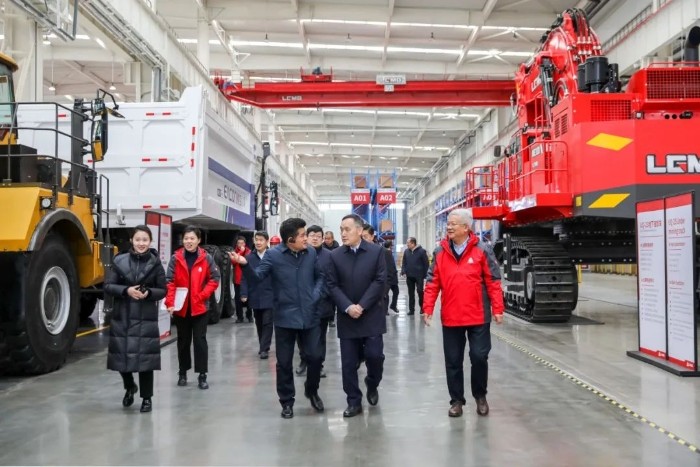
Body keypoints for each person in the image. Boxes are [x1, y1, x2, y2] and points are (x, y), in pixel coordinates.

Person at [228, 218, 325, 419]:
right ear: (290, 240)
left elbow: (320, 277)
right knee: (284, 362)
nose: (306, 238)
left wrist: (314, 296)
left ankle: (312, 390)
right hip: (285, 316)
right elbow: (257, 278)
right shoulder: (273, 256)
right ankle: (287, 401)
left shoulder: (311, 253)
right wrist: (245, 265)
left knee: (315, 357)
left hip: (310, 315)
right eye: (302, 235)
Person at [422, 208, 504, 418]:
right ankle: (456, 400)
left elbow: (493, 281)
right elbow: (432, 282)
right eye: (448, 223)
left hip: (478, 315)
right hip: (451, 316)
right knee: (453, 361)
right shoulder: (440, 252)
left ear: (466, 228)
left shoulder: (482, 250)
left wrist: (498, 308)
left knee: (479, 357)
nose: (448, 227)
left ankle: (480, 395)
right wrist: (428, 308)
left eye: (453, 224)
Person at [327, 214, 387, 418]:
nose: (343, 233)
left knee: (375, 356)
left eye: (347, 229)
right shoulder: (335, 255)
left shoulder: (376, 252)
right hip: (347, 317)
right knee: (348, 363)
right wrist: (347, 306)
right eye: (341, 230)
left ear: (360, 231)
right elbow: (332, 285)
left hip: (371, 314)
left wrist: (361, 306)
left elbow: (379, 281)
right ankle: (353, 401)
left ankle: (372, 382)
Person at [105, 225, 166, 413]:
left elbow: (163, 290)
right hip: (122, 316)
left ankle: (147, 398)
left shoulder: (155, 264)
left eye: (145, 240)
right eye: (138, 239)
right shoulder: (119, 261)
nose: (141, 243)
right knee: (121, 359)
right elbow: (108, 286)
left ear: (150, 241)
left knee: (146, 361)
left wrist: (148, 293)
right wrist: (126, 290)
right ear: (132, 240)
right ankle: (130, 386)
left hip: (145, 317)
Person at [165, 226, 221, 390]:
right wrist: (170, 303)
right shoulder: (176, 258)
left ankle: (202, 375)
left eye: (192, 238)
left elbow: (214, 279)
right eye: (186, 238)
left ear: (198, 240)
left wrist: (202, 295)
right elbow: (169, 282)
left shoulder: (206, 258)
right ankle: (182, 372)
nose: (188, 241)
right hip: (181, 308)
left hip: (200, 308)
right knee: (183, 341)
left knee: (200, 341)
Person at [240, 231, 275, 359]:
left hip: (270, 294)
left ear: (267, 241)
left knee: (267, 322)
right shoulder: (249, 258)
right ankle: (262, 345)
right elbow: (244, 277)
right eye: (256, 240)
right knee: (259, 322)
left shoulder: (272, 256)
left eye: (261, 240)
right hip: (255, 294)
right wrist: (244, 293)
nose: (258, 242)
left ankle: (264, 348)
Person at [306, 225, 335, 377]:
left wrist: (323, 295)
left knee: (320, 337)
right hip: (303, 304)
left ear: (323, 239)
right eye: (312, 235)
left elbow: (332, 279)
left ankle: (319, 365)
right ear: (306, 237)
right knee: (302, 336)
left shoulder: (329, 256)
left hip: (323, 303)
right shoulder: (300, 253)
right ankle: (304, 361)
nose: (315, 238)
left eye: (318, 236)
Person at [362, 225, 397, 315]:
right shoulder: (358, 253)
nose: (362, 239)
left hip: (379, 296)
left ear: (372, 237)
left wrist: (384, 290)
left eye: (365, 236)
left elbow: (390, 272)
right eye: (361, 237)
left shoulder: (383, 252)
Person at [401, 237, 429, 315]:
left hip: (419, 276)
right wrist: (403, 271)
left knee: (420, 291)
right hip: (409, 276)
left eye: (408, 243)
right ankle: (411, 310)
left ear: (413, 243)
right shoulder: (406, 251)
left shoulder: (422, 251)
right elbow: (404, 262)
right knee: (411, 293)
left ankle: (422, 307)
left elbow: (426, 263)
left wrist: (426, 275)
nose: (407, 244)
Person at [232, 236, 252, 323]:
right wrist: (240, 252)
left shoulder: (249, 252)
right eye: (239, 243)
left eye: (242, 243)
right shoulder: (234, 252)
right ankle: (239, 317)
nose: (240, 245)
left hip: (247, 279)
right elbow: (233, 261)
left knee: (249, 298)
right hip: (238, 279)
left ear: (245, 243)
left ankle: (249, 315)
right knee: (238, 300)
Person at [384, 241, 399, 314]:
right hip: (389, 277)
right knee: (386, 294)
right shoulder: (387, 252)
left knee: (395, 291)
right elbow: (390, 266)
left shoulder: (386, 252)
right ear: (390, 246)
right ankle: (386, 309)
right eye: (392, 246)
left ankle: (392, 306)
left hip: (391, 277)